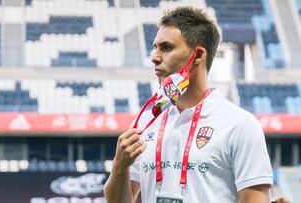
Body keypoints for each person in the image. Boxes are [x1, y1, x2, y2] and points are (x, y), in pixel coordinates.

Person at [104, 6, 273, 203]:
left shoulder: (240, 125)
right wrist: (119, 166)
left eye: (166, 47)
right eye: (155, 47)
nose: (155, 57)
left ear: (198, 55)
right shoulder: (146, 121)